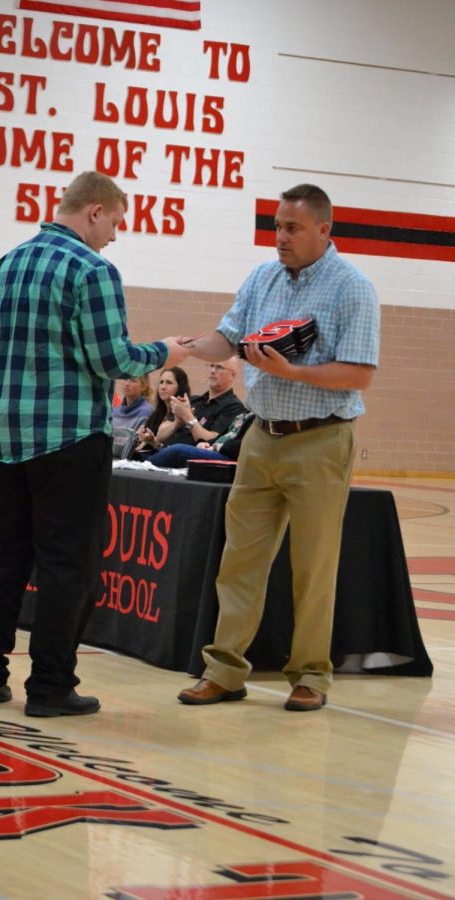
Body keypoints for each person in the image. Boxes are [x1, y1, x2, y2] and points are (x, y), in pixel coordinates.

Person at [0, 171, 189, 717]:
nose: (115, 235)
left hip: (3, 435)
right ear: (94, 211)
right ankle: (50, 686)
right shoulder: (93, 268)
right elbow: (113, 361)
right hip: (66, 438)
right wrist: (167, 353)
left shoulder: (8, 263)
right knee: (68, 566)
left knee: (1, 556)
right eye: (115, 222)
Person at [178, 183, 380, 712]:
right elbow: (229, 336)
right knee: (239, 559)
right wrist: (186, 348)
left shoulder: (352, 287)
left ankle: (311, 674)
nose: (281, 237)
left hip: (321, 439)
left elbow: (360, 374)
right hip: (261, 436)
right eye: (276, 227)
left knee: (312, 566)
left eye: (292, 228)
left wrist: (292, 371)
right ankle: (224, 670)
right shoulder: (262, 277)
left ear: (323, 229)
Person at [156, 357, 247, 449]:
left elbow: (212, 442)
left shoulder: (234, 407)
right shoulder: (193, 400)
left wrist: (188, 417)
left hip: (187, 458)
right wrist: (177, 423)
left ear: (233, 375)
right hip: (166, 452)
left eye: (219, 367)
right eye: (211, 366)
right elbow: (160, 435)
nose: (212, 371)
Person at [148, 410, 255, 468]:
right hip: (215, 449)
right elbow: (221, 437)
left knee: (178, 450)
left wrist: (217, 447)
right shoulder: (245, 413)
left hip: (229, 457)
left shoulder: (260, 419)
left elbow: (246, 446)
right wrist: (205, 443)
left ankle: (141, 468)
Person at [135, 366, 191, 451]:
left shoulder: (184, 415)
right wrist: (141, 438)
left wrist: (153, 441)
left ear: (180, 387)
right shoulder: (156, 415)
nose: (163, 387)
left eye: (169, 382)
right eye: (161, 382)